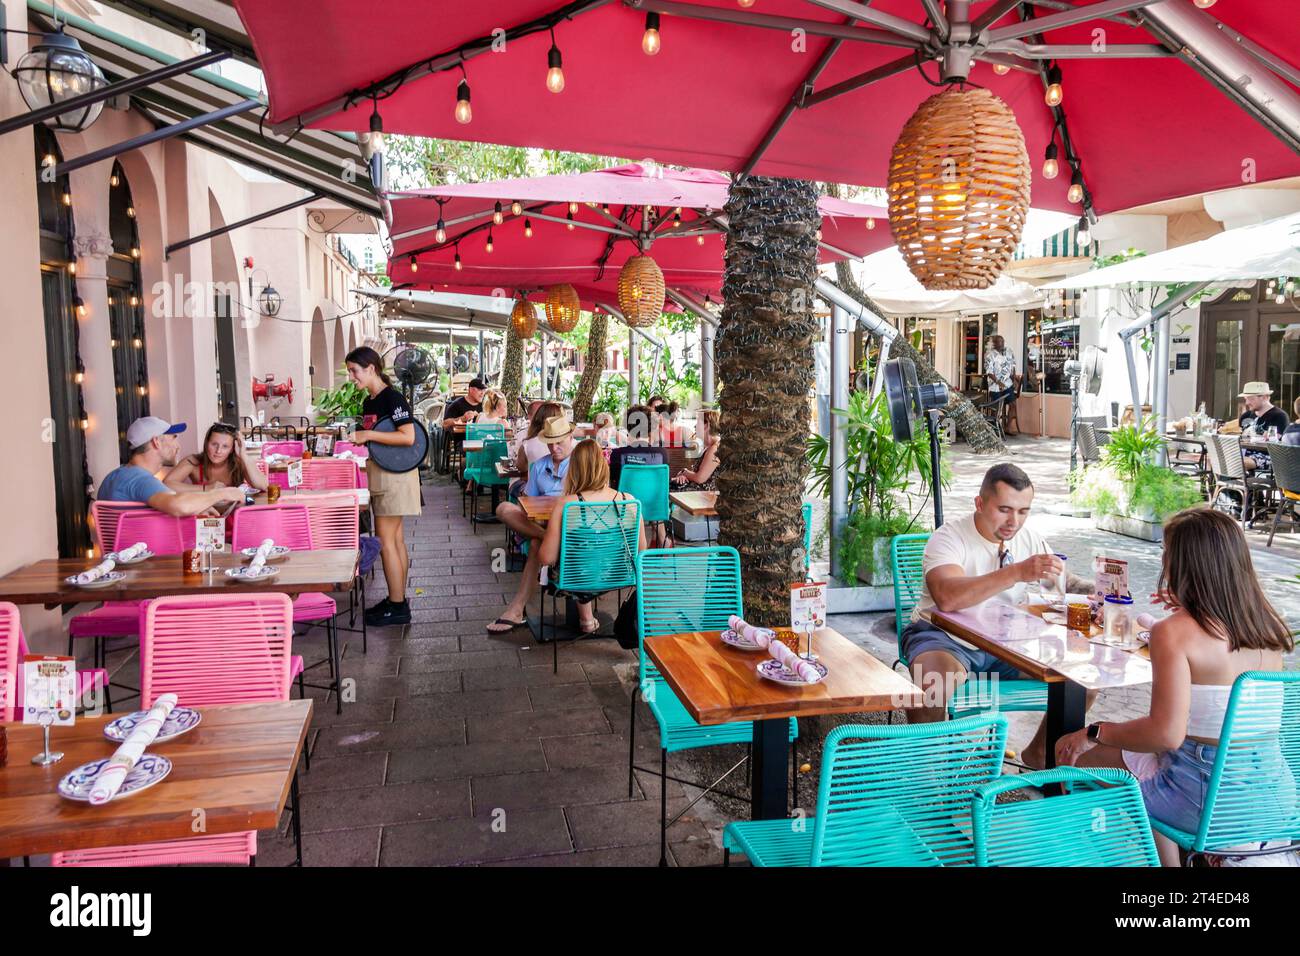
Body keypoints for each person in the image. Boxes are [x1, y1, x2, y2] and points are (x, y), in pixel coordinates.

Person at [1056, 508, 1294, 867]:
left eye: (1167, 553)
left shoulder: (1175, 632)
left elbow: (1165, 735)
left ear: (1181, 563)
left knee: (1070, 754)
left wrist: (1093, 731)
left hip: (1207, 797)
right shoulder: (1269, 626)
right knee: (1143, 759)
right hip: (1273, 792)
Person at [901, 463, 1093, 769]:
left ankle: (1040, 755)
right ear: (979, 503)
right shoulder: (949, 537)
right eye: (1004, 509)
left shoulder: (1028, 538)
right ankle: (926, 769)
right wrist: (1015, 572)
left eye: (1023, 511)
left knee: (1084, 678)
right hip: (946, 637)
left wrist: (1098, 592)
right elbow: (948, 597)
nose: (1013, 521)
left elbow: (1064, 581)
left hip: (1010, 643)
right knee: (933, 684)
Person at [534, 438, 647, 633]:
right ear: (604, 466)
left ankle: (585, 619)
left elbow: (547, 558)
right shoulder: (629, 501)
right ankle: (588, 616)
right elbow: (641, 551)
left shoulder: (567, 505)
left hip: (574, 579)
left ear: (574, 468)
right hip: (618, 576)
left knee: (567, 555)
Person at [346, 346, 420, 628]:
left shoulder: (392, 397)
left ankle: (398, 605)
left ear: (371, 368)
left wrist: (367, 434)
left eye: (355, 370)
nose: (352, 376)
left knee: (387, 541)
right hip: (382, 473)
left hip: (394, 476)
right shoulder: (371, 401)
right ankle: (396, 599)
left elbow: (408, 436)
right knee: (395, 539)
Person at [488, 415, 577, 634]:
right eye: (550, 443)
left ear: (570, 437)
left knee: (537, 545)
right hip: (543, 525)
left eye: (559, 442)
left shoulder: (580, 464)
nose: (554, 448)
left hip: (573, 525)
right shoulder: (539, 466)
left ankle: (517, 609)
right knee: (504, 509)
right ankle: (548, 538)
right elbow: (528, 505)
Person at [98, 416, 246, 515]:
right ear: (156, 442)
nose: (178, 446)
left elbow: (174, 499)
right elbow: (179, 505)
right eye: (173, 438)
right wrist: (222, 493)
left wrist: (200, 506)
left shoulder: (113, 476)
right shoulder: (142, 481)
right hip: (152, 558)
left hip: (123, 555)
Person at [164, 422, 268, 492]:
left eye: (225, 446)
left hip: (234, 516)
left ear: (232, 448)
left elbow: (264, 486)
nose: (218, 451)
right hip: (204, 517)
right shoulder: (193, 461)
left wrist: (244, 455)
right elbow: (167, 484)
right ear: (206, 443)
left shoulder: (239, 461)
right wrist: (206, 488)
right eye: (214, 444)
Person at [608, 404, 667, 492]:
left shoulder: (617, 454)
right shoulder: (662, 454)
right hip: (655, 504)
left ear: (627, 426)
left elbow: (612, 481)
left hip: (626, 504)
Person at [1237, 381, 1288, 471]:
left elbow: (1277, 444)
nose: (1247, 402)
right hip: (1243, 453)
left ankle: (1235, 484)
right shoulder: (1246, 416)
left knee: (1235, 462)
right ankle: (1221, 485)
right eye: (1245, 399)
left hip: (1268, 456)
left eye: (1251, 399)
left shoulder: (1280, 416)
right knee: (1213, 458)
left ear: (1264, 397)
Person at [512, 400, 563, 478]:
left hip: (536, 485)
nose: (554, 447)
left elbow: (520, 467)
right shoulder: (572, 444)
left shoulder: (528, 444)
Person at [672, 408, 719, 491]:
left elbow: (700, 478)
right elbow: (696, 475)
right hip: (697, 491)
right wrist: (682, 475)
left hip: (704, 495)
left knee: (664, 489)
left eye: (697, 422)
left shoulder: (715, 448)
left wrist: (684, 472)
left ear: (706, 425)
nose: (694, 426)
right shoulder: (709, 447)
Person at [984, 335, 1019, 435]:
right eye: (999, 342)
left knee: (1013, 405)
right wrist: (999, 383)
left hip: (1007, 384)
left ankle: (1008, 427)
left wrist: (1014, 380)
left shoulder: (1009, 351)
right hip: (995, 386)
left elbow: (1013, 367)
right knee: (996, 407)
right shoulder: (989, 355)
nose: (1002, 344)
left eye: (1003, 342)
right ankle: (996, 429)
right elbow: (989, 372)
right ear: (994, 344)